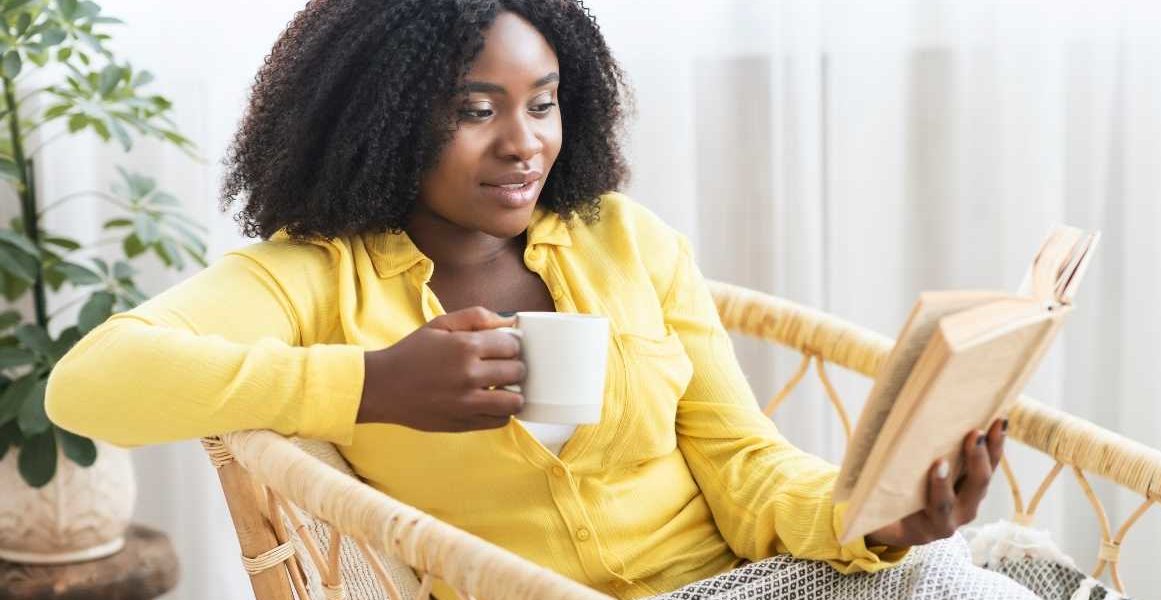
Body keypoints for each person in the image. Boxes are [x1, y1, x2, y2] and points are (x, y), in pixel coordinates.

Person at [47, 1, 1031, 599]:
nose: (523, 141)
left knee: (941, 574)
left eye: (543, 101)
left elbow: (742, 465)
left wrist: (866, 521)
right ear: (378, 122)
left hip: (744, 584)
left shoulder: (624, 239)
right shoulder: (314, 275)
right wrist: (373, 384)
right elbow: (88, 389)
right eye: (475, 110)